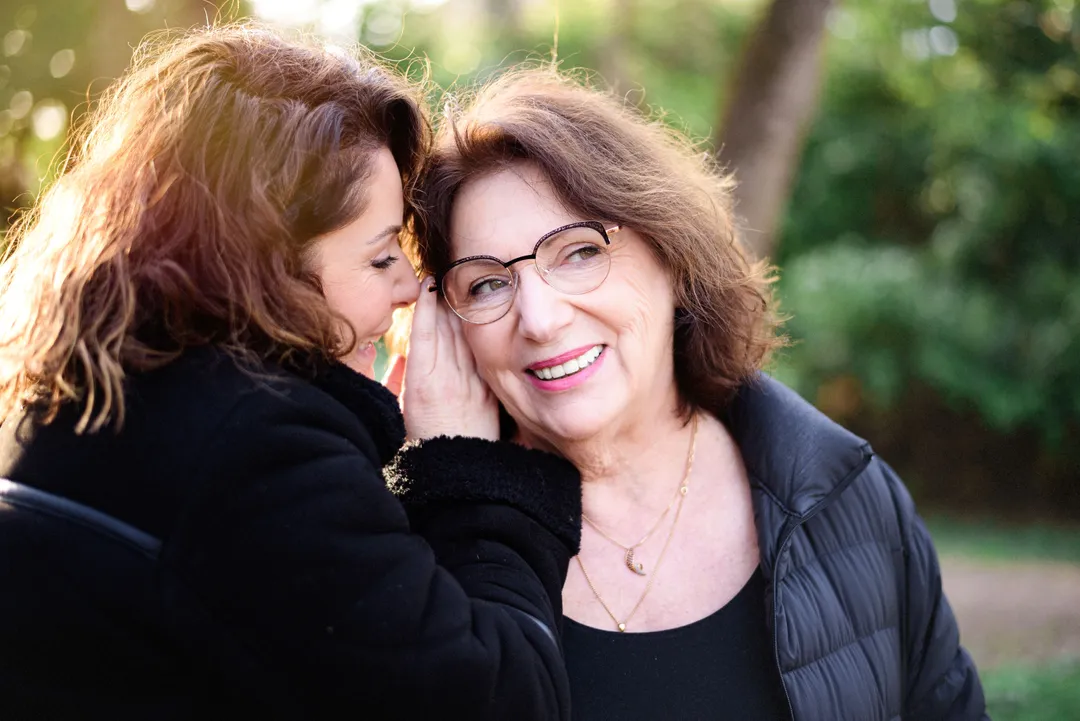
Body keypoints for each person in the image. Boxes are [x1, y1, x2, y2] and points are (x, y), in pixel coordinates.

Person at [0, 27, 581, 720]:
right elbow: (502, 701)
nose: (408, 289)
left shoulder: (82, 396)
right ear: (264, 272)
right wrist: (466, 467)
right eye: (378, 257)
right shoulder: (255, 453)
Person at [411, 68, 990, 721]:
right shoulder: (415, 554)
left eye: (577, 251)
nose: (540, 318)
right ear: (445, 323)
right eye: (487, 284)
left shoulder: (845, 494)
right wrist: (454, 485)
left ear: (669, 251)